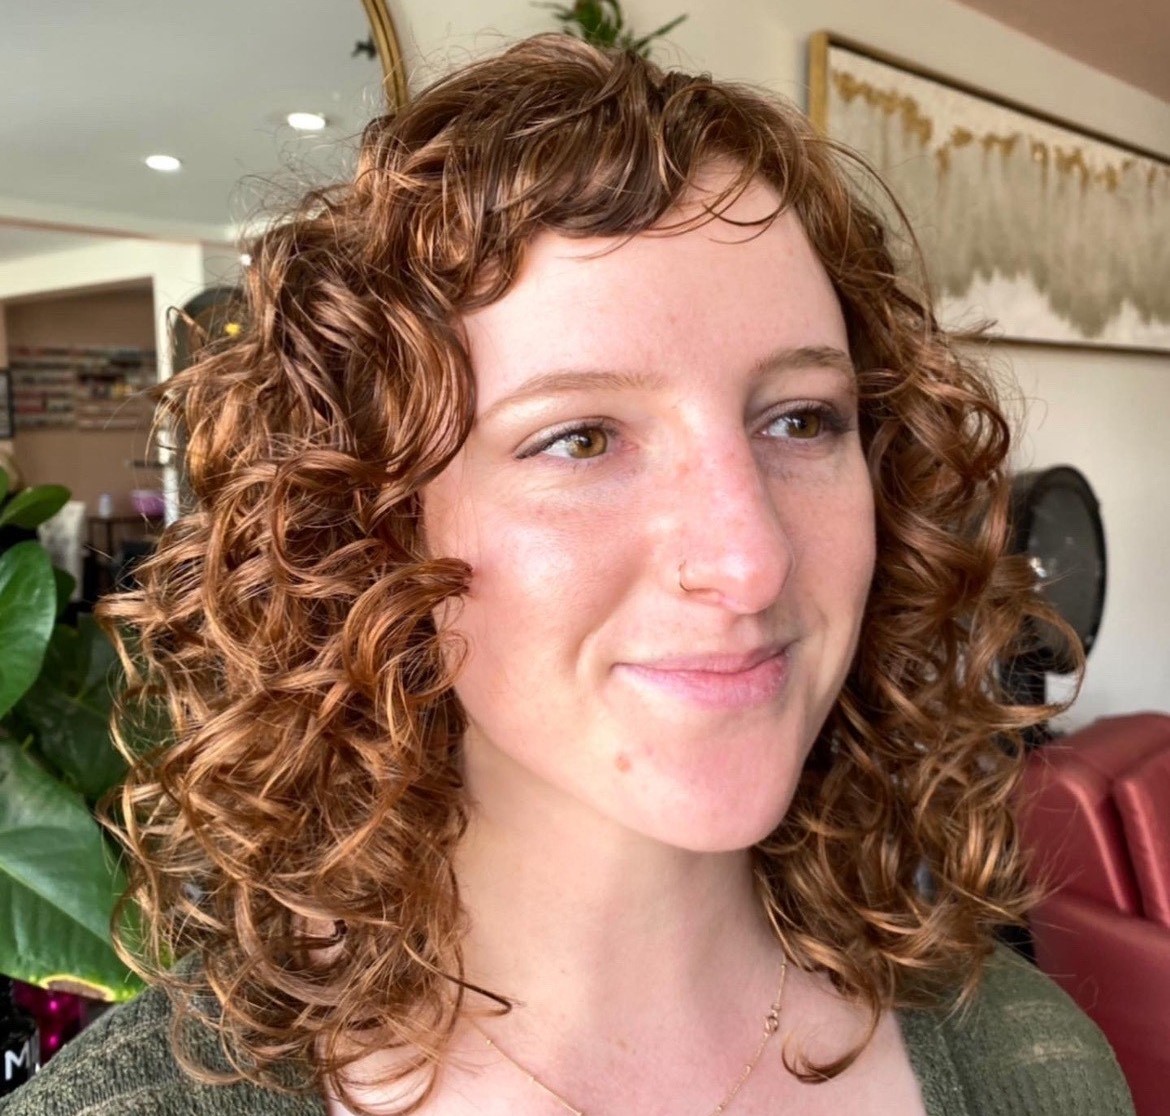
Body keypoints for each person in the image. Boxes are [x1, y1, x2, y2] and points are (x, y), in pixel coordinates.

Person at [1, 33, 1133, 1116]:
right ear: (369, 529)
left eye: (800, 419)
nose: (750, 561)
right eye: (580, 438)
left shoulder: (1033, 1066)